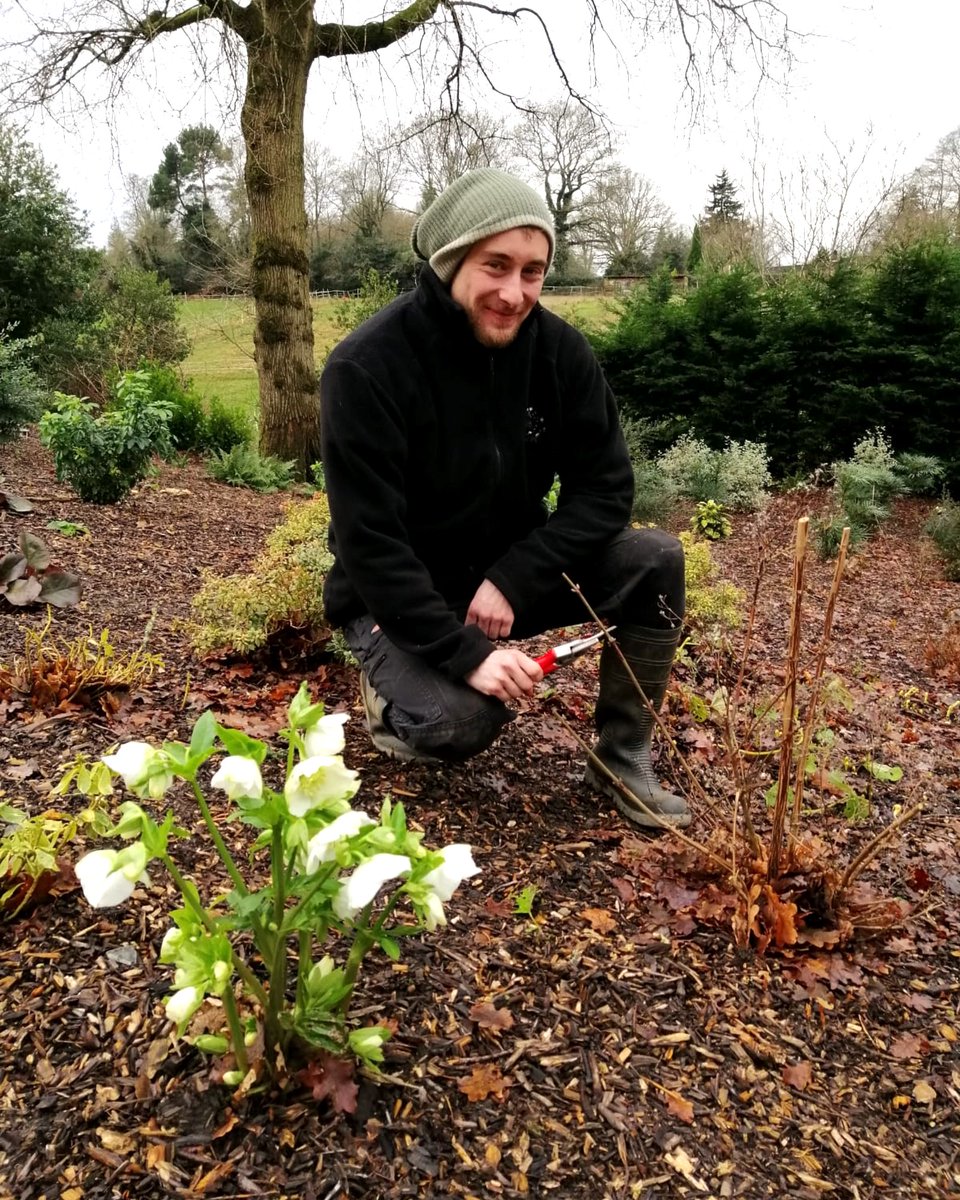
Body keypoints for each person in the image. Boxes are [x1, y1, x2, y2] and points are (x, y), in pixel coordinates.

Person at [319, 168, 689, 829]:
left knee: (655, 559)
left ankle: (621, 759)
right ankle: (392, 695)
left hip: (503, 582)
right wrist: (470, 657)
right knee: (462, 720)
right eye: (496, 265)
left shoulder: (560, 354)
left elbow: (606, 490)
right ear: (451, 260)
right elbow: (370, 545)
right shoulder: (367, 367)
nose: (514, 293)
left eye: (533, 271)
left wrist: (515, 578)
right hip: (394, 595)